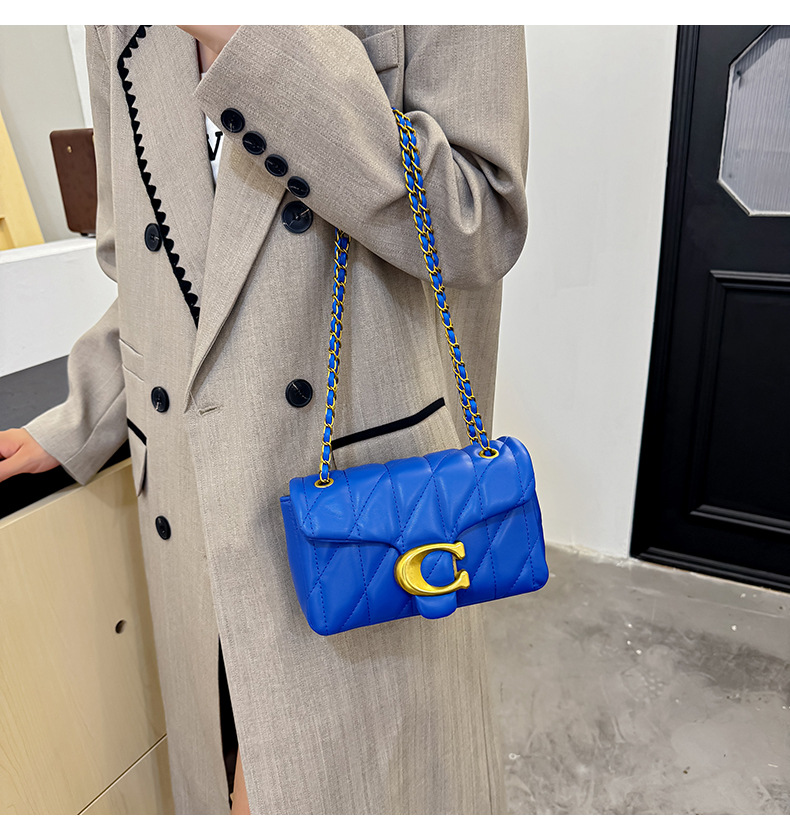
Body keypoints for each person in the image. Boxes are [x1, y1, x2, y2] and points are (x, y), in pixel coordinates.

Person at [0, 25, 529, 814]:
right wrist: (81, 415)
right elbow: (148, 275)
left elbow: (477, 226)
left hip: (367, 515)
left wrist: (259, 41)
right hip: (195, 518)